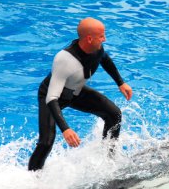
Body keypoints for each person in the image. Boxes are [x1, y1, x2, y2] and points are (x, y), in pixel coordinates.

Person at [28, 17, 133, 171]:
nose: (105, 39)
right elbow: (52, 98)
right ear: (89, 39)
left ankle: (109, 161)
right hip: (52, 97)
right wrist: (66, 129)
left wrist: (120, 82)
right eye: (101, 36)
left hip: (76, 92)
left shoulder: (96, 48)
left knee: (114, 114)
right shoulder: (64, 60)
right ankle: (33, 179)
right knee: (46, 142)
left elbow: (105, 59)